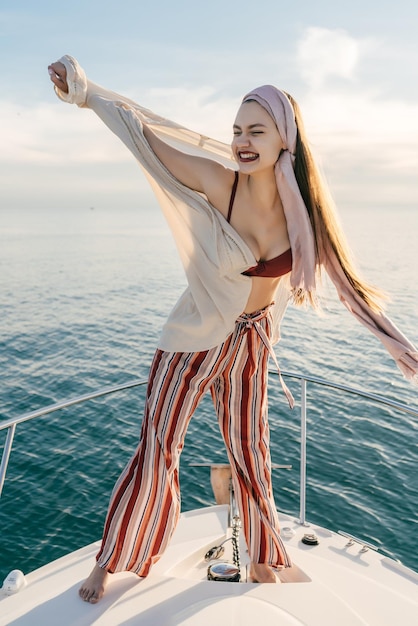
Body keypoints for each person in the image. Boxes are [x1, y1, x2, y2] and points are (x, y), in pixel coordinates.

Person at [48, 56, 418, 602]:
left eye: (256, 131)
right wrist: (86, 92)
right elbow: (144, 137)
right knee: (158, 450)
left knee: (252, 452)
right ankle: (113, 560)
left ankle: (266, 557)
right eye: (237, 131)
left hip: (251, 345)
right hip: (192, 342)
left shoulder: (305, 215)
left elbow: (347, 285)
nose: (243, 141)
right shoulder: (220, 182)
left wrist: (401, 349)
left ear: (283, 139)